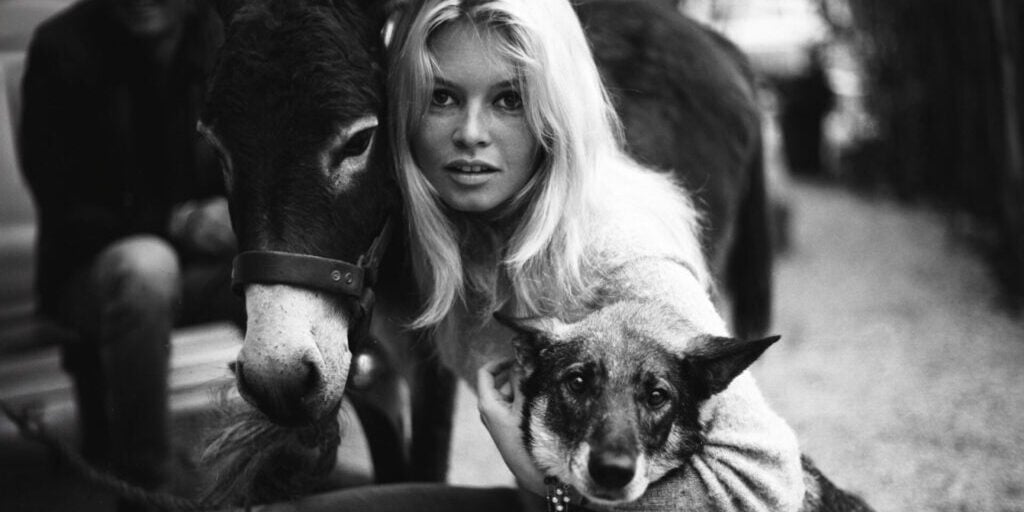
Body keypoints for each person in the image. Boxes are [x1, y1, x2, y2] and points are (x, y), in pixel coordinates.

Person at [18, 0, 237, 504]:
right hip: (93, 273)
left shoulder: (222, 39)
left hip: (206, 271)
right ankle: (147, 487)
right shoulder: (61, 49)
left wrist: (241, 215)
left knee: (282, 260)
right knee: (146, 268)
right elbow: (65, 206)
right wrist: (177, 223)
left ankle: (289, 459)